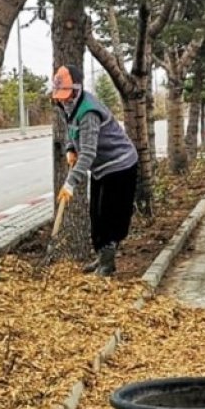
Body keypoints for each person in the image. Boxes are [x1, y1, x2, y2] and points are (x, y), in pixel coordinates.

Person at [51, 65, 140, 276]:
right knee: (96, 215)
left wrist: (70, 183)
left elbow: (89, 153)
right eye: (59, 95)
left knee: (110, 215)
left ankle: (107, 264)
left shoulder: (89, 111)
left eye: (65, 94)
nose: (62, 99)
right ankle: (101, 257)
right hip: (101, 168)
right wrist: (71, 148)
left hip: (119, 165)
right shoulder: (68, 105)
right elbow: (70, 130)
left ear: (77, 88)